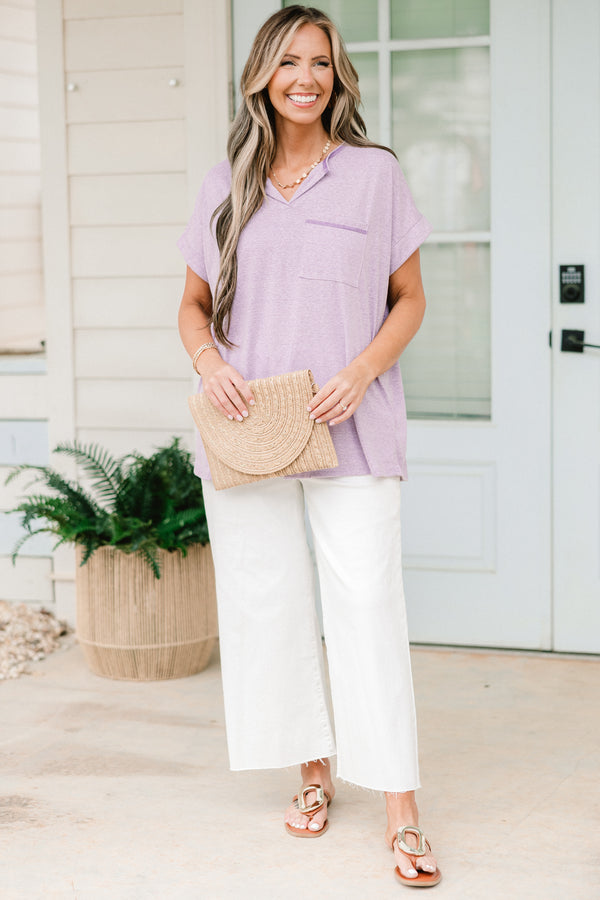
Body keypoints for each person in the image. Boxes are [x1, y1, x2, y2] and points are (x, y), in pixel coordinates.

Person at [177, 5, 441, 888]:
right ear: (262, 75)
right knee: (269, 606)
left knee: (367, 607)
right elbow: (190, 305)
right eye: (289, 60)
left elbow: (410, 298)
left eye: (321, 62)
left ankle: (400, 803)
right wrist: (209, 359)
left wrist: (364, 371)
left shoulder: (373, 176)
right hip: (252, 425)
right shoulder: (227, 183)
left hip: (352, 424)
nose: (305, 76)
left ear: (338, 77)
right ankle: (313, 773)